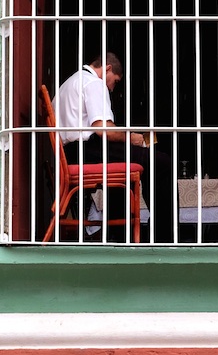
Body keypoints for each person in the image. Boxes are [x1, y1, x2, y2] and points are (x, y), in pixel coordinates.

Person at [53, 53, 174, 242]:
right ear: (107, 68)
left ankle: (119, 235)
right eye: (115, 81)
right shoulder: (93, 83)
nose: (112, 87)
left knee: (131, 167)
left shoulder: (70, 83)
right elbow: (104, 130)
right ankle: (164, 235)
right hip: (88, 150)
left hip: (70, 154)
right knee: (162, 162)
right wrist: (131, 138)